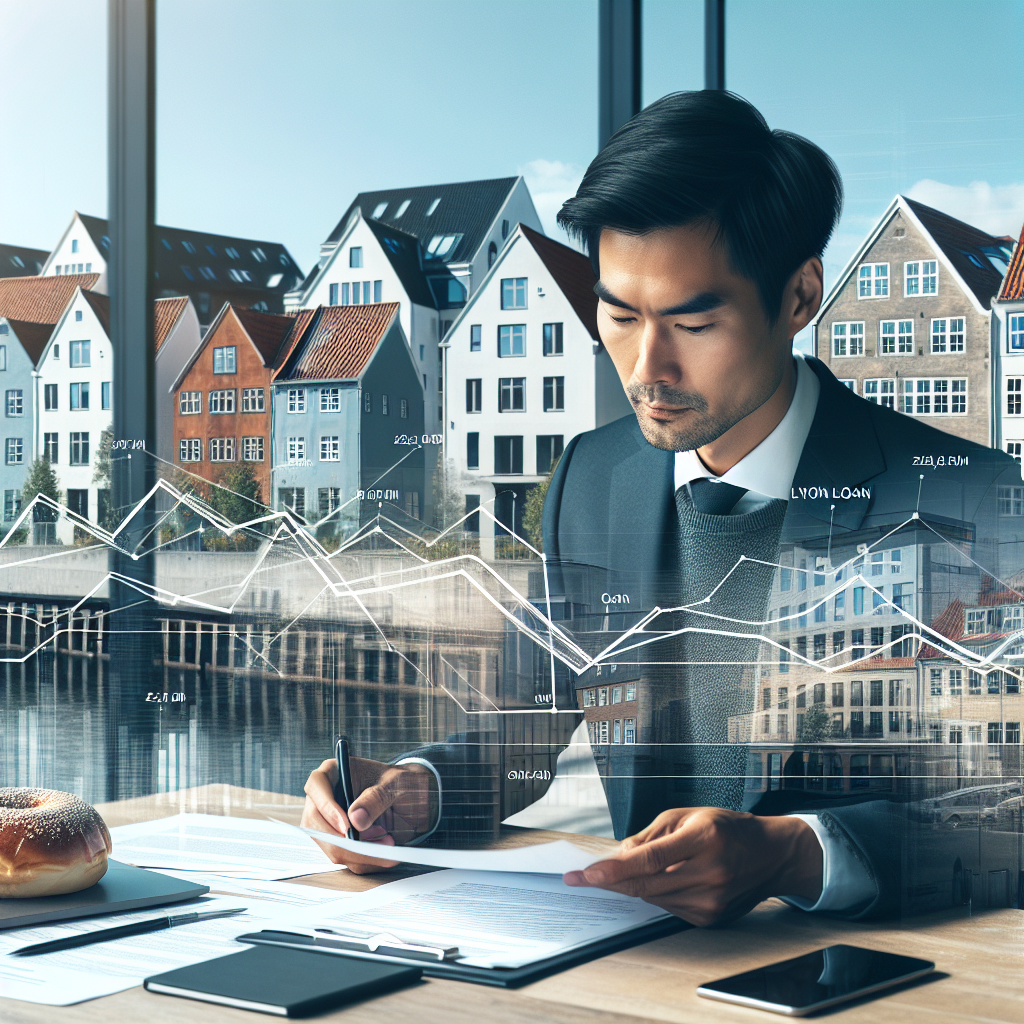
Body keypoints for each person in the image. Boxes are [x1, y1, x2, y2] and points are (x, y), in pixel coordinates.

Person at [302, 91, 1020, 925]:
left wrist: (798, 850)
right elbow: (527, 725)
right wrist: (414, 793)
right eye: (619, 313)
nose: (648, 366)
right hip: (633, 972)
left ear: (797, 297)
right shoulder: (592, 478)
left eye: (693, 320)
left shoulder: (968, 499)